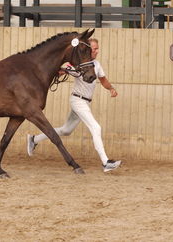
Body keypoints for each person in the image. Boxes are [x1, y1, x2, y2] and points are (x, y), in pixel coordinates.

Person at [27, 38, 122, 172]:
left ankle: (34, 139)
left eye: (97, 49)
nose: (97, 51)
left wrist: (111, 88)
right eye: (94, 49)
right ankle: (106, 162)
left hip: (85, 102)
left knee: (66, 130)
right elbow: (63, 70)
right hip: (78, 101)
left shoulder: (97, 64)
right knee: (96, 127)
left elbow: (103, 80)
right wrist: (61, 71)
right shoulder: (78, 64)